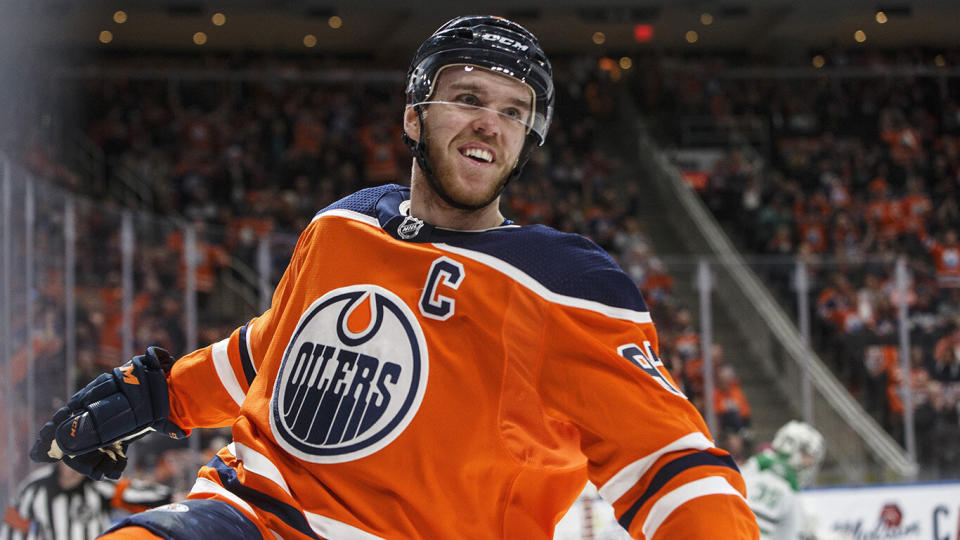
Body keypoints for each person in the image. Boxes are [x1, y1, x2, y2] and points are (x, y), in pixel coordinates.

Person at [30, 15, 758, 539]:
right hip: (243, 514)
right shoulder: (344, 223)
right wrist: (163, 396)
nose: (490, 124)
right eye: (468, 98)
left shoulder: (562, 284)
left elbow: (669, 459)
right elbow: (272, 351)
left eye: (514, 112)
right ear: (415, 115)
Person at [0, 462, 170, 540]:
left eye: (83, 461)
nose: (76, 470)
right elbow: (13, 529)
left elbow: (136, 493)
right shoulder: (35, 488)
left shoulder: (99, 483)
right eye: (71, 461)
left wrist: (172, 498)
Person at [741, 421, 825, 539]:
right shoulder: (787, 485)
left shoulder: (757, 463)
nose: (809, 464)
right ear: (792, 447)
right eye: (807, 455)